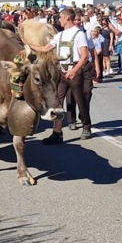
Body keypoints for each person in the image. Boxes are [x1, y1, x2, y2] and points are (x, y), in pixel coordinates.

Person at [43, 8, 94, 143]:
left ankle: (87, 125)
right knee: (57, 101)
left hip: (75, 71)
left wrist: (75, 70)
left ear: (67, 18)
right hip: (62, 71)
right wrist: (27, 43)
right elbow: (45, 49)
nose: (58, 19)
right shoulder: (59, 35)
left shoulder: (79, 34)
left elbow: (84, 56)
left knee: (79, 100)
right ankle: (57, 133)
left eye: (60, 17)